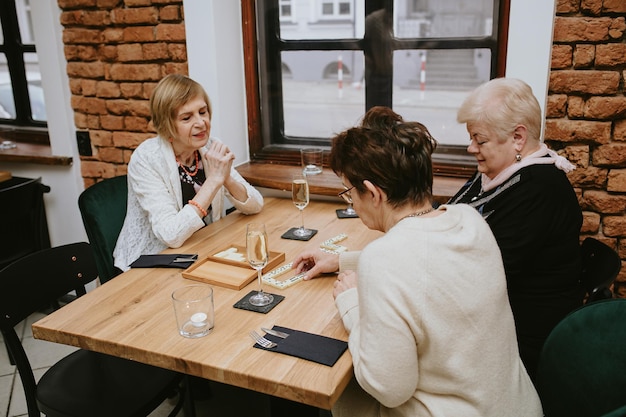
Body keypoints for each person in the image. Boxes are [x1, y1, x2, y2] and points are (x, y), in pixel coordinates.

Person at [293, 106, 542, 417]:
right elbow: (425, 263)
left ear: (373, 193)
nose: (352, 203)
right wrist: (342, 260)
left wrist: (351, 305)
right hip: (518, 406)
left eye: (349, 193)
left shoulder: (384, 260)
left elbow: (388, 388)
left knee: (341, 394)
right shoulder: (469, 221)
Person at [447, 77, 584, 381]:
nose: (471, 148)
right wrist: (357, 260)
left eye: (479, 140)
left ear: (518, 138)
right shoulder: (495, 173)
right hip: (488, 319)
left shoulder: (540, 189)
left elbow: (474, 273)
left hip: (520, 341)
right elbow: (443, 226)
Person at [113, 74, 263, 271]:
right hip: (151, 264)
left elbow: (255, 205)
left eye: (203, 112)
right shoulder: (147, 158)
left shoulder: (208, 146)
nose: (201, 123)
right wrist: (213, 181)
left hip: (200, 250)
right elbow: (171, 235)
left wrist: (226, 177)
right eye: (187, 117)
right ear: (167, 125)